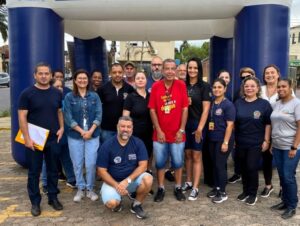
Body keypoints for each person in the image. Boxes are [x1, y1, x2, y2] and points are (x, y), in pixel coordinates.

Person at [18, 62, 64, 216]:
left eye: (46, 74)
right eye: (40, 73)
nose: (44, 76)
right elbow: (22, 117)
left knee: (53, 171)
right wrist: (27, 138)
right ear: (35, 75)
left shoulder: (57, 93)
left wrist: (62, 128)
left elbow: (59, 111)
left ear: (51, 76)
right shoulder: (27, 93)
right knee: (34, 172)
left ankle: (53, 197)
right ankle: (35, 202)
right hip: (34, 140)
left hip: (52, 138)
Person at [97, 116, 153, 219]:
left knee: (148, 178)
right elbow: (101, 170)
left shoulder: (138, 143)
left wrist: (127, 181)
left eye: (128, 127)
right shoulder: (107, 145)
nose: (125, 129)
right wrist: (117, 185)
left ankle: (136, 205)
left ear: (132, 128)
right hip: (113, 182)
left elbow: (143, 165)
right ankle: (118, 204)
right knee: (112, 203)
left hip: (130, 181)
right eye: (122, 126)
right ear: (117, 127)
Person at [148, 58, 189, 202]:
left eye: (173, 68)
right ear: (163, 70)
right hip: (160, 134)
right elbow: (152, 110)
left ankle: (178, 187)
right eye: (167, 68)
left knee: (178, 163)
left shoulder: (181, 85)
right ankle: (161, 188)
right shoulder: (156, 87)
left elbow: (185, 108)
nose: (170, 71)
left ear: (176, 70)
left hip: (177, 133)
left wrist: (182, 130)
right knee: (160, 163)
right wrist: (158, 130)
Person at [64, 69, 102, 203]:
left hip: (93, 135)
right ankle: (81, 188)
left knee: (91, 163)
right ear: (75, 80)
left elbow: (98, 115)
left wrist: (90, 131)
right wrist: (82, 131)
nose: (82, 80)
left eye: (85, 78)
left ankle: (90, 189)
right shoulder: (69, 97)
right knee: (78, 163)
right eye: (79, 78)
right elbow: (68, 117)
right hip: (75, 136)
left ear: (88, 80)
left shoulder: (94, 96)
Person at [235, 77, 272, 206]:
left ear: (257, 88)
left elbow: (268, 123)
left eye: (252, 86)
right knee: (243, 167)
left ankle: (252, 193)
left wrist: (266, 140)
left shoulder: (264, 104)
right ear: (243, 89)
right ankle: (245, 191)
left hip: (256, 142)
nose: (249, 88)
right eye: (246, 86)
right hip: (241, 141)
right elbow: (235, 123)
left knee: (251, 167)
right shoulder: (238, 103)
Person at [270, 79, 300, 219]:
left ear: (290, 87)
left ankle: (292, 206)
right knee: (282, 176)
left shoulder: (297, 104)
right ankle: (285, 202)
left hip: (291, 147)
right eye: (279, 87)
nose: (281, 89)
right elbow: (274, 125)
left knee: (288, 177)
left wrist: (294, 146)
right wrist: (271, 143)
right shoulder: (277, 104)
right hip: (277, 146)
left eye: (284, 86)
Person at [182, 57, 211, 201]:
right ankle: (188, 181)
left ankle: (195, 187)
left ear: (199, 70)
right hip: (184, 125)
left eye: (195, 68)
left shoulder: (204, 86)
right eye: (190, 67)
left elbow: (206, 109)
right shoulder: (182, 84)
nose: (192, 70)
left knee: (196, 156)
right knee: (187, 155)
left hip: (197, 124)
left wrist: (200, 128)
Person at [41, 79, 76, 194]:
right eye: (57, 86)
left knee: (66, 157)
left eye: (61, 86)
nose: (60, 88)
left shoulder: (65, 100)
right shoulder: (48, 100)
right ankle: (45, 184)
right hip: (52, 135)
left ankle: (71, 179)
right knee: (48, 160)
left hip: (65, 134)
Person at [206, 78, 235, 203]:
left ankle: (222, 192)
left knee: (220, 165)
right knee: (214, 164)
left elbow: (230, 125)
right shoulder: (212, 102)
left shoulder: (228, 105)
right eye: (214, 87)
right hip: (212, 138)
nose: (216, 89)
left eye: (219, 87)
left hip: (223, 140)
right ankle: (216, 187)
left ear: (225, 89)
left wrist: (226, 142)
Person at [228, 67, 256, 184]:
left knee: (252, 161)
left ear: (253, 76)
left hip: (254, 131)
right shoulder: (238, 93)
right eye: (243, 77)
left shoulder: (258, 91)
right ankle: (237, 173)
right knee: (239, 155)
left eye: (248, 77)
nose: (245, 79)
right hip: (240, 129)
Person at [123, 71, 153, 175]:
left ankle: (147, 175)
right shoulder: (130, 97)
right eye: (138, 78)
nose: (140, 80)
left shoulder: (151, 96)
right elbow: (125, 117)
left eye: (142, 78)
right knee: (136, 158)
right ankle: (135, 181)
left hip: (149, 132)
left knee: (148, 155)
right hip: (135, 134)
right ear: (134, 82)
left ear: (146, 81)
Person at [97, 63, 134, 143]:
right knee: (107, 152)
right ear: (110, 73)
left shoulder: (129, 89)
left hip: (124, 129)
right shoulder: (102, 89)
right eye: (114, 72)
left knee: (123, 152)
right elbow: (97, 108)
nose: (117, 75)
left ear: (123, 73)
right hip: (107, 129)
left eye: (120, 72)